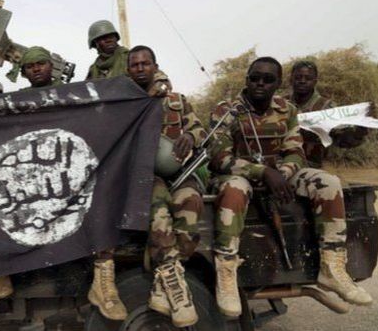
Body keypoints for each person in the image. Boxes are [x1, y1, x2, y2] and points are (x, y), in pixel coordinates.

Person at [208, 57, 373, 317]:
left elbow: (295, 152)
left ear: (278, 83)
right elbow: (220, 158)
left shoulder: (287, 110)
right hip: (239, 174)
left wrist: (283, 173)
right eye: (255, 78)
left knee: (328, 182)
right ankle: (227, 273)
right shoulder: (227, 110)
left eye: (268, 79)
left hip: (280, 174)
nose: (260, 83)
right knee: (234, 189)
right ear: (246, 79)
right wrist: (264, 172)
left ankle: (331, 266)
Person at [0, 46, 63, 308]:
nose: (37, 69)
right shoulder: (18, 100)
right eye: (31, 66)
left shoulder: (69, 93)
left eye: (41, 63)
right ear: (24, 71)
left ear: (51, 66)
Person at [127, 45, 206, 327]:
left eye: (145, 63)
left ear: (154, 65)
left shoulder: (176, 100)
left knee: (191, 204)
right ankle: (176, 286)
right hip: (146, 176)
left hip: (180, 173)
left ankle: (163, 279)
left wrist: (191, 138)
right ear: (128, 70)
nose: (140, 68)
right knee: (158, 209)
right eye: (134, 65)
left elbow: (198, 127)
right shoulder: (123, 105)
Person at [285, 60, 368, 168]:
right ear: (291, 79)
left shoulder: (327, 108)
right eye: (298, 77)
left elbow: (341, 140)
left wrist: (358, 133)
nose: (302, 81)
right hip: (280, 165)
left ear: (315, 81)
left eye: (308, 78)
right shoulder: (281, 104)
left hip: (311, 167)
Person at [86, 20, 172, 97]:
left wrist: (161, 86)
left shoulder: (130, 58)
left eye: (111, 36)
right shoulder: (94, 69)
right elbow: (85, 91)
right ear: (95, 44)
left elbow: (161, 79)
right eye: (103, 38)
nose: (109, 40)